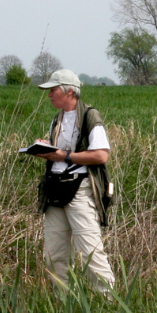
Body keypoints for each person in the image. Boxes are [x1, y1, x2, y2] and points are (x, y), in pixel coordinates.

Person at [27, 69, 115, 292]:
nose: (49, 94)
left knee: (91, 252)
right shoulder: (57, 119)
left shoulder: (89, 117)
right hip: (55, 189)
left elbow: (101, 155)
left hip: (80, 188)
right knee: (54, 255)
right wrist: (45, 146)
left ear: (69, 91)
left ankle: (109, 305)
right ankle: (62, 305)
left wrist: (63, 156)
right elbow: (60, 150)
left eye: (53, 89)